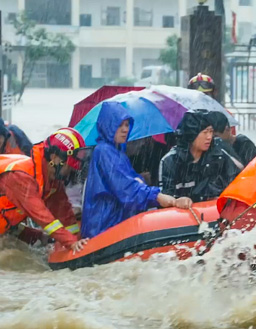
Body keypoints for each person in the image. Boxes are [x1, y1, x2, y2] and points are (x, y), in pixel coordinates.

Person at [0, 127, 92, 252]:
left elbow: (63, 211)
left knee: (35, 238)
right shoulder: (22, 178)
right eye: (70, 166)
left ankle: (25, 234)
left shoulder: (52, 178)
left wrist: (76, 237)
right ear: (54, 158)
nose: (71, 171)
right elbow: (41, 215)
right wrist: (71, 242)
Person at [81, 102, 189, 238]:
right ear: (108, 125)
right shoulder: (104, 151)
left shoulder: (117, 152)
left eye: (127, 125)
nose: (125, 129)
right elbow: (126, 189)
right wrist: (159, 197)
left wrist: (141, 180)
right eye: (119, 125)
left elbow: (128, 181)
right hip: (104, 224)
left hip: (114, 219)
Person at [159, 109, 240, 203]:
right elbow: (164, 197)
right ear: (192, 134)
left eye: (211, 132)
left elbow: (236, 181)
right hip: (184, 215)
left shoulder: (218, 155)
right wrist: (178, 201)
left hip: (215, 213)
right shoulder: (170, 161)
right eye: (205, 132)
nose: (209, 137)